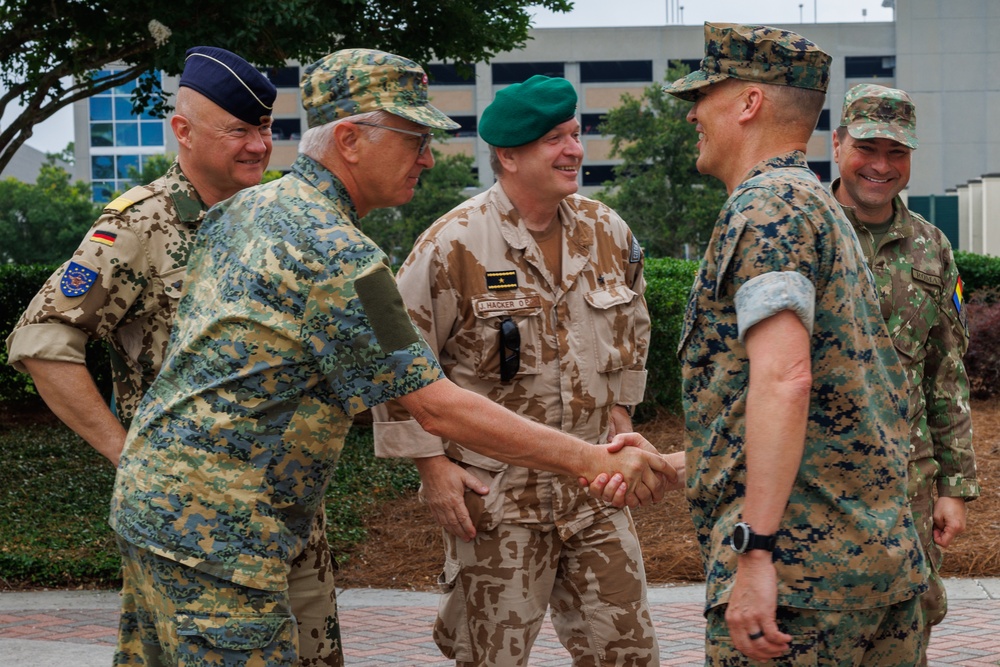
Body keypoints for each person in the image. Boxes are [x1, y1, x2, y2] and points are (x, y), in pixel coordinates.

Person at [107, 48, 674, 666]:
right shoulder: (340, 254)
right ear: (350, 140)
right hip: (218, 533)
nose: (428, 158)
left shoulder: (245, 209)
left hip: (157, 506)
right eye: (414, 140)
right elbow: (436, 406)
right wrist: (591, 460)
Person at [5, 46, 344, 667]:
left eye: (266, 128)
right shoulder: (140, 226)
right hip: (195, 530)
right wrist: (128, 454)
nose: (259, 145)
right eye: (239, 129)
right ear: (182, 132)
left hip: (291, 520)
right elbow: (42, 341)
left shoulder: (279, 220)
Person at [371, 74, 683, 666]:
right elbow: (399, 363)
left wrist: (621, 413)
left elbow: (633, 328)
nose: (574, 149)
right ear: (508, 156)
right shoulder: (453, 244)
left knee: (630, 654)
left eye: (575, 134)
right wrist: (431, 467)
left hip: (596, 491)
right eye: (554, 140)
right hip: (498, 496)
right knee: (491, 657)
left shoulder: (608, 231)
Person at [661, 23, 928, 664]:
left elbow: (786, 380)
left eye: (705, 94)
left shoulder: (769, 208)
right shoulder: (817, 205)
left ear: (749, 103)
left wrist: (755, 553)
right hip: (874, 569)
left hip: (802, 592)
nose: (694, 111)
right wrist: (683, 460)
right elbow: (841, 395)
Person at [831, 83, 980, 663]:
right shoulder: (801, 233)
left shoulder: (931, 248)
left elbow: (947, 375)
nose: (881, 165)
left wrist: (954, 487)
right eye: (868, 147)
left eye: (897, 152)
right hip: (818, 489)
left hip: (908, 492)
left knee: (905, 637)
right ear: (838, 144)